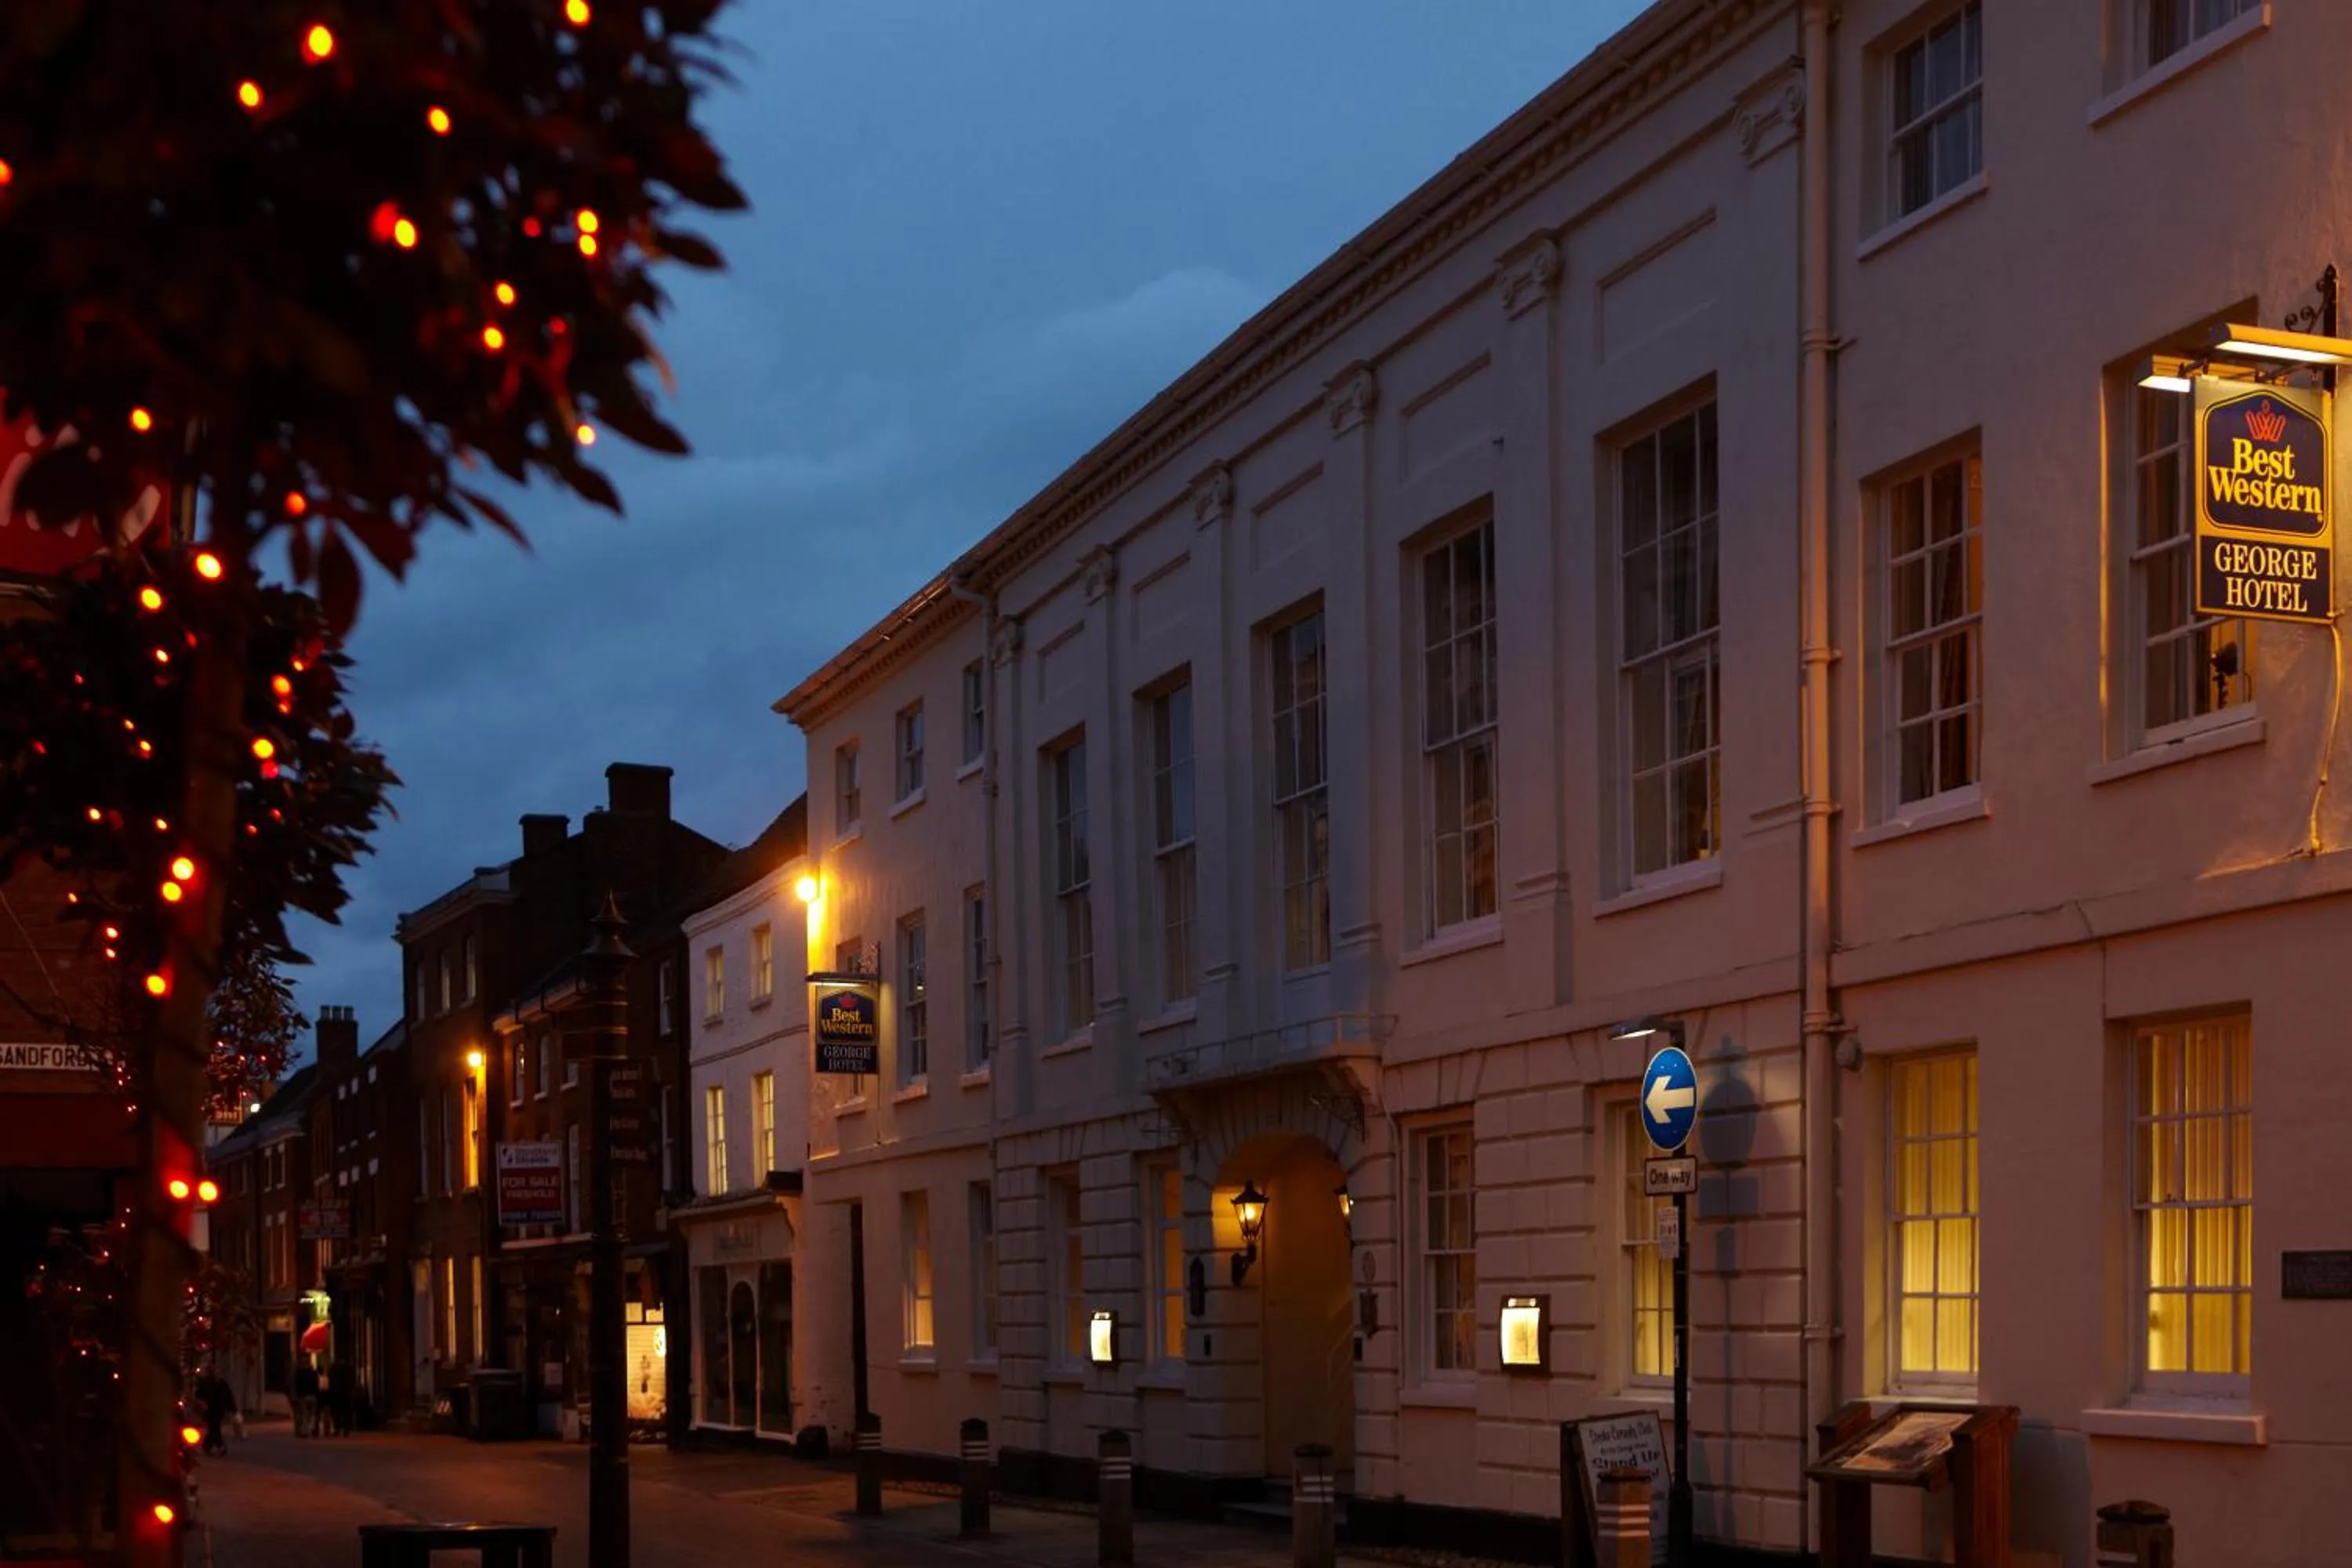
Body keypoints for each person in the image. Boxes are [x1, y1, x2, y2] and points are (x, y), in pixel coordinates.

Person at [198, 1368, 236, 1456]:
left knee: (213, 1428)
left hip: (216, 1410)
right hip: (212, 1409)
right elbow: (228, 1397)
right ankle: (217, 1446)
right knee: (214, 1428)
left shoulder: (219, 1384)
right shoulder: (208, 1383)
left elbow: (228, 1396)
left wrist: (232, 1408)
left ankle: (209, 1445)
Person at [293, 1358, 319, 1438]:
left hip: (303, 1396)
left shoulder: (299, 1374)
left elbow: (296, 1385)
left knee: (304, 1414)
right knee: (312, 1414)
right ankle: (313, 1429)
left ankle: (305, 1431)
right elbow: (316, 1384)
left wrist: (296, 1395)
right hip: (313, 1396)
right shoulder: (313, 1374)